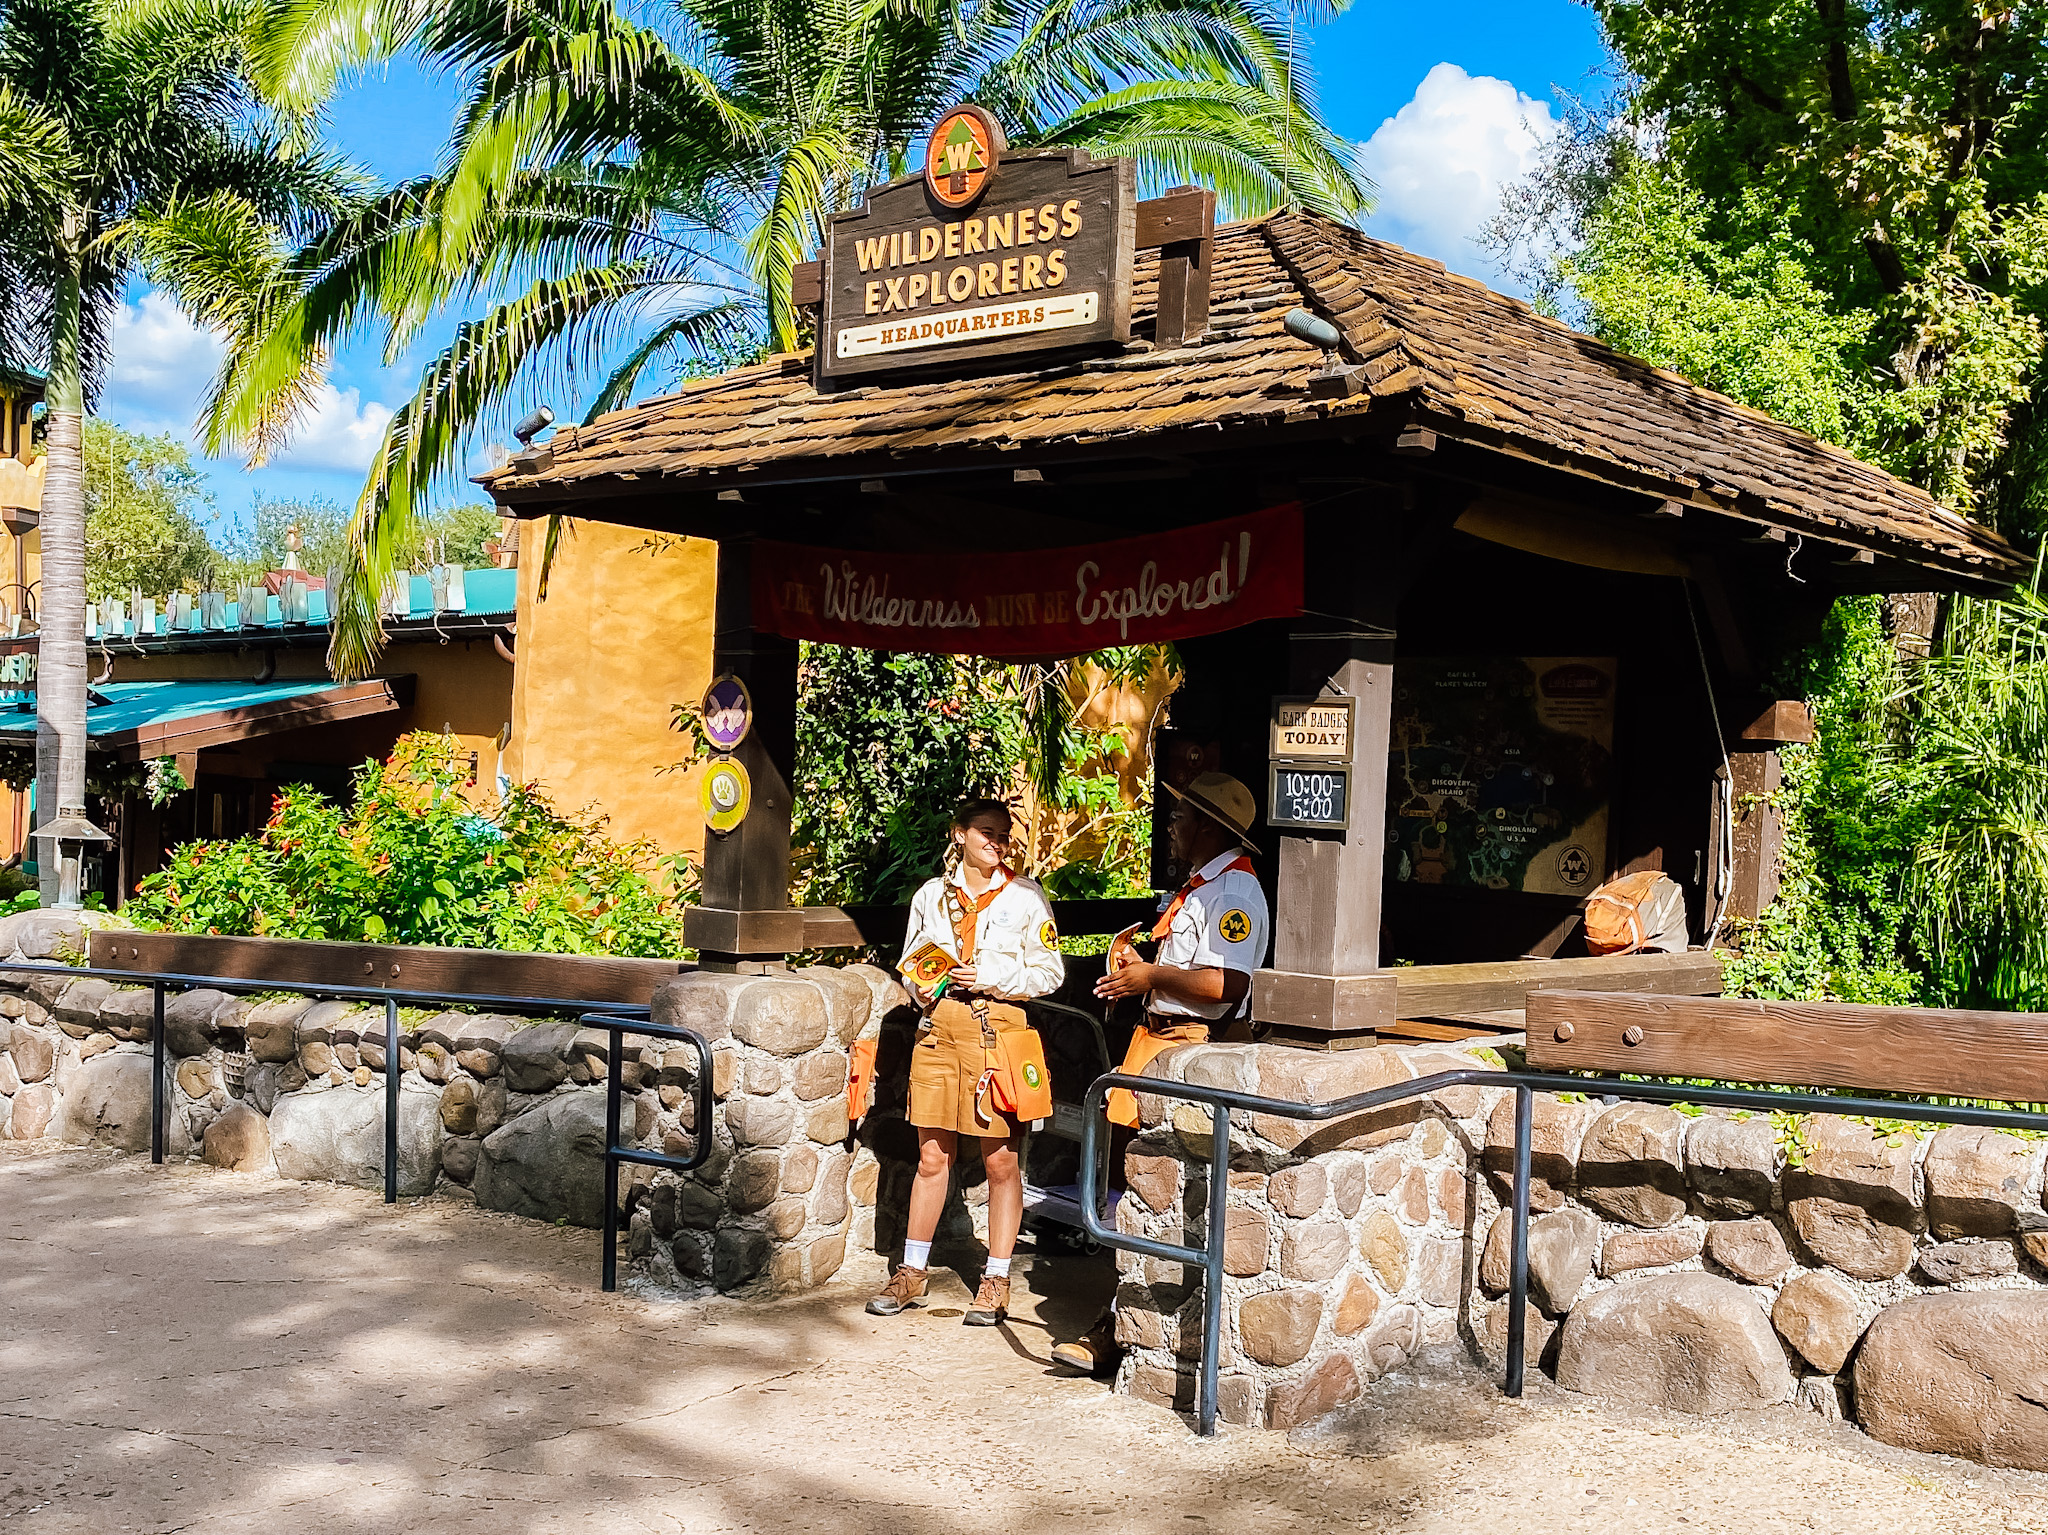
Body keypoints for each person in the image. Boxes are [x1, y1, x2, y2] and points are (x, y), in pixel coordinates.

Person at [1050, 771, 1270, 1375]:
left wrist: (1152, 979)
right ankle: (1122, 1317)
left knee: (1160, 1187)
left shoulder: (1235, 892)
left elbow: (1227, 986)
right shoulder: (1200, 889)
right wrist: (1137, 976)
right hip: (1158, 1039)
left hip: (1193, 1047)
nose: (1170, 828)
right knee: (1137, 1179)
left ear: (1206, 826)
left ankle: (1117, 1328)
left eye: (1178, 819)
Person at [867, 797, 1064, 1326]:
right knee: (932, 1156)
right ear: (959, 833)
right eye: (986, 832)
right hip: (939, 1032)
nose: (997, 843)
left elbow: (1050, 972)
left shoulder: (1025, 898)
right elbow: (910, 961)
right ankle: (911, 1273)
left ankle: (996, 1279)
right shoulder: (932, 896)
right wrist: (924, 984)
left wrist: (994, 978)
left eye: (1003, 835)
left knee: (1000, 1160)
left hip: (995, 1028)